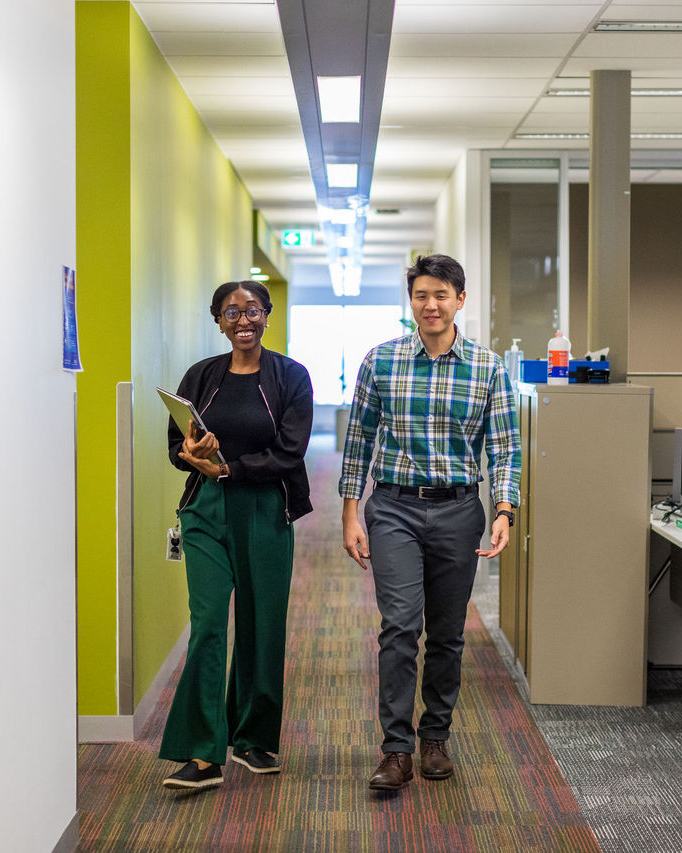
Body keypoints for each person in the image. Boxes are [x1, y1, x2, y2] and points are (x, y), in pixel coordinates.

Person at [339, 254, 521, 791]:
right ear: (411, 301)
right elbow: (358, 441)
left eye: (441, 294)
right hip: (392, 507)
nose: (431, 304)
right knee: (399, 626)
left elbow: (505, 449)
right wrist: (351, 511)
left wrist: (505, 509)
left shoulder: (488, 368)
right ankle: (395, 749)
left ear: (460, 300)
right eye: (421, 295)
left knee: (446, 633)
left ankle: (434, 736)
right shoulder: (381, 361)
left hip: (459, 511)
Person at [159, 280, 313, 790]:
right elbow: (174, 442)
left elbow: (290, 452)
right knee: (207, 623)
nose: (243, 319)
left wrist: (230, 469)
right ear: (218, 321)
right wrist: (192, 455)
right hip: (205, 509)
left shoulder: (291, 377)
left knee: (260, 622)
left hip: (267, 507)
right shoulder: (201, 376)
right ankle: (203, 752)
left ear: (268, 315)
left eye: (252, 310)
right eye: (231, 312)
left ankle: (254, 737)